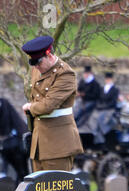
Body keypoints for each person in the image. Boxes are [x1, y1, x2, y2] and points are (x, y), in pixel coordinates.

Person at [21, 35, 83, 172]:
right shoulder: (37, 70)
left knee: (58, 190)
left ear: (49, 55)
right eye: (34, 64)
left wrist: (30, 107)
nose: (36, 67)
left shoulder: (65, 74)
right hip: (39, 142)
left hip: (58, 144)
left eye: (39, 63)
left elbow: (48, 105)